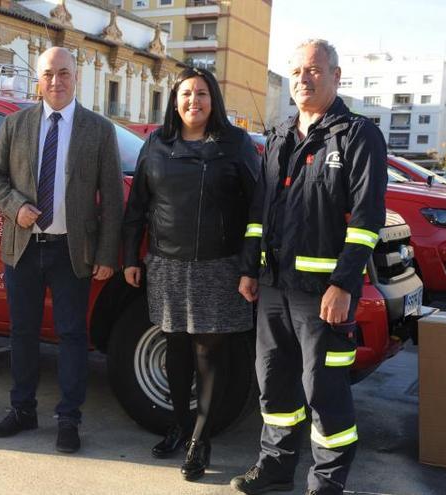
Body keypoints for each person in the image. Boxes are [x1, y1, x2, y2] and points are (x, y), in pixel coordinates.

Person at [230, 39, 387, 495]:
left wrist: (343, 285)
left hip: (323, 295)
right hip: (273, 289)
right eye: (297, 70)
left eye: (315, 70)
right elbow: (261, 211)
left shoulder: (357, 135)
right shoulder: (279, 136)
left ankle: (326, 485)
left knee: (324, 393)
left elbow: (366, 221)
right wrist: (249, 268)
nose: (303, 78)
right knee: (274, 386)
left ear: (336, 76)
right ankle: (275, 469)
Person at [0, 47, 124, 453]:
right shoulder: (16, 123)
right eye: (48, 74)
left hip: (71, 252)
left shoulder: (98, 129)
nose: (56, 81)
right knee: (22, 333)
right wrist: (15, 207)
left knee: (72, 336)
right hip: (23, 248)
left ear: (76, 77)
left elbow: (112, 198)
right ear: (38, 79)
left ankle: (68, 419)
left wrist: (108, 255)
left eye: (64, 73)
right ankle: (22, 410)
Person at [122, 67, 260, 481]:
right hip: (166, 264)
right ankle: (179, 426)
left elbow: (257, 212)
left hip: (219, 266)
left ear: (213, 99)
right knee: (176, 351)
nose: (193, 102)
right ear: (174, 100)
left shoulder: (236, 144)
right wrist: (132, 255)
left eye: (201, 94)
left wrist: (250, 266)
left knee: (208, 355)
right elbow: (138, 208)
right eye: (185, 94)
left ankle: (200, 440)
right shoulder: (157, 144)